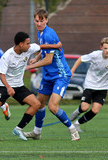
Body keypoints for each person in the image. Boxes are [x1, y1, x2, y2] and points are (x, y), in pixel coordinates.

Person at [0, 31, 44, 142]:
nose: (29, 46)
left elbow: (41, 47)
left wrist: (53, 48)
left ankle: (18, 129)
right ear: (20, 44)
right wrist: (9, 88)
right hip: (4, 85)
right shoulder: (7, 56)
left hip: (19, 86)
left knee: (36, 104)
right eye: (27, 43)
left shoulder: (29, 49)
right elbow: (2, 75)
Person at [24, 8, 80, 141]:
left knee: (52, 107)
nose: (39, 23)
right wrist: (36, 58)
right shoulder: (40, 32)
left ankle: (73, 130)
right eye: (36, 21)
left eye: (41, 21)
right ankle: (37, 132)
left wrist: (30, 66)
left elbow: (49, 59)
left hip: (60, 75)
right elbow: (44, 50)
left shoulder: (49, 34)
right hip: (48, 75)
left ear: (47, 20)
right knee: (39, 103)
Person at [69, 37, 108, 132]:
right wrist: (72, 71)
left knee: (95, 110)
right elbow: (80, 59)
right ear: (101, 47)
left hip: (103, 87)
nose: (107, 51)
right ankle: (77, 112)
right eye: (105, 48)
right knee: (84, 107)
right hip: (90, 84)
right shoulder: (95, 55)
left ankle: (76, 124)